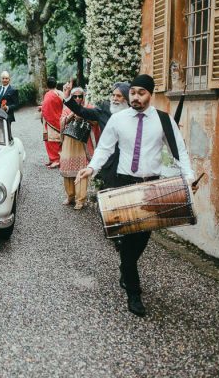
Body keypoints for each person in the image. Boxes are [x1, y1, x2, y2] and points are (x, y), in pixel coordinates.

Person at [76, 74, 195, 317]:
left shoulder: (163, 120)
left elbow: (178, 151)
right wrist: (91, 168)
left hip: (150, 186)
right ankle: (134, 292)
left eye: (141, 93)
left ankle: (125, 268)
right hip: (123, 183)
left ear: (151, 94)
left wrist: (188, 177)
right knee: (128, 238)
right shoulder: (118, 119)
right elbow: (104, 148)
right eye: (133, 93)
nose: (136, 98)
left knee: (140, 240)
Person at [64, 81, 130, 188]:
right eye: (113, 95)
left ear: (127, 98)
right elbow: (82, 111)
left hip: (129, 165)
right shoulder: (105, 108)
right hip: (110, 164)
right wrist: (67, 97)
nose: (114, 98)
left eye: (119, 96)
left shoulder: (134, 113)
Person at [59, 87, 98, 210]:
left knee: (81, 170)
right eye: (74, 96)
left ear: (83, 96)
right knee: (67, 168)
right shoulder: (67, 107)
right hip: (69, 143)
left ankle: (80, 200)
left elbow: (96, 122)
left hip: (83, 144)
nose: (77, 99)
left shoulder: (88, 107)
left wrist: (84, 116)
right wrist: (72, 115)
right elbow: (61, 122)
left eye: (79, 96)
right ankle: (70, 196)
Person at [39, 77, 63, 168]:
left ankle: (55, 160)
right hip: (60, 119)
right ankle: (57, 159)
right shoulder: (61, 93)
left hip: (50, 121)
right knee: (59, 140)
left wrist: (41, 109)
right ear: (56, 84)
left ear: (47, 85)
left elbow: (46, 108)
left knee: (51, 141)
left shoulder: (48, 95)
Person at [0, 71, 18, 135]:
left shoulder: (13, 90)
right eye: (3, 78)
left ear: (9, 79)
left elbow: (16, 104)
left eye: (6, 78)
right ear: (0, 79)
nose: (4, 80)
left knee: (7, 134)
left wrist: (7, 107)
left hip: (7, 116)